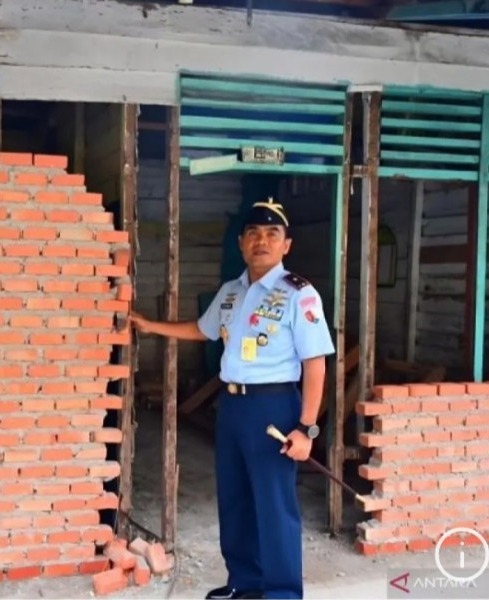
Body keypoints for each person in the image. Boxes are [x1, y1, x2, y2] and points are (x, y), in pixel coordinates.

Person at [127, 197, 335, 600]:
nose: (262, 241)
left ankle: (281, 593)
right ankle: (245, 583)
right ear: (241, 243)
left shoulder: (299, 294)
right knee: (236, 499)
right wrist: (151, 326)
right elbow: (202, 330)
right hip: (233, 407)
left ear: (286, 245)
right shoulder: (230, 292)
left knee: (274, 506)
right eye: (253, 234)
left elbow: (315, 364)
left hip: (274, 408)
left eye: (272, 234)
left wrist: (307, 428)